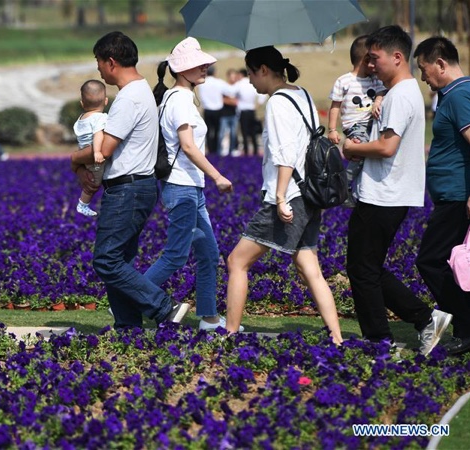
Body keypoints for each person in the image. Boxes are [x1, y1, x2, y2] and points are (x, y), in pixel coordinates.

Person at [342, 25, 452, 355]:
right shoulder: (397, 94)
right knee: (366, 267)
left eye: (375, 58)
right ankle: (424, 320)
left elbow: (388, 147)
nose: (370, 65)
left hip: (384, 193)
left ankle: (381, 341)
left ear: (397, 57)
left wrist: (352, 148)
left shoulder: (402, 95)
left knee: (361, 270)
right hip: (387, 192)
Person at [224, 46, 343, 344]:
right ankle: (337, 338)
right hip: (311, 194)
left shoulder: (277, 102)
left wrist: (279, 198)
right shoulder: (301, 93)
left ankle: (229, 333)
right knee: (309, 266)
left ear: (263, 70)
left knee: (237, 262)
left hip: (289, 195)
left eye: (251, 73)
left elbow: (285, 155)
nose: (250, 81)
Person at [71, 31, 190, 329]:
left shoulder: (129, 97)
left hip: (128, 188)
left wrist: (74, 160)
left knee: (106, 261)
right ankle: (127, 329)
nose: (98, 68)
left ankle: (165, 308)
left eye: (99, 62)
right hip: (134, 187)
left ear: (111, 62)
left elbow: (105, 149)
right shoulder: (139, 92)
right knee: (119, 262)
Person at [146, 37, 239, 331]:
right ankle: (127, 298)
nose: (205, 68)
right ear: (182, 70)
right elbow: (188, 146)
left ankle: (209, 318)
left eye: (205, 64)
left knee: (209, 254)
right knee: (175, 255)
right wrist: (218, 176)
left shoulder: (174, 98)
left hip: (188, 188)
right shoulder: (181, 101)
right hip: (182, 188)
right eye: (198, 65)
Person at [414, 36, 470, 356]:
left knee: (430, 260)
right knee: (452, 264)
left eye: (424, 69)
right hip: (450, 195)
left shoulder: (461, 94)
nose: (423, 77)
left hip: (457, 196)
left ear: (440, 64)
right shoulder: (452, 96)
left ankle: (465, 324)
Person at [328, 35, 386, 207]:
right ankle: (344, 184)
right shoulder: (344, 81)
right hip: (354, 126)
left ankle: (358, 187)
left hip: (372, 125)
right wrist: (332, 129)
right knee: (360, 151)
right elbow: (335, 106)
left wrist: (377, 100)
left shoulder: (375, 80)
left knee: (369, 155)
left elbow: (382, 92)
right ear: (366, 59)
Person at [73, 79, 108, 217]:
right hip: (94, 157)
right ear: (105, 101)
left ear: (82, 103)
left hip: (84, 154)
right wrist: (98, 151)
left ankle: (83, 203)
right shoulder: (100, 118)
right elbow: (98, 134)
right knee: (94, 183)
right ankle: (83, 204)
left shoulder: (81, 119)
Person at [198, 65, 229, 155]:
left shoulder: (202, 83)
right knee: (217, 131)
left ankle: (210, 149)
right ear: (214, 72)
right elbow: (229, 91)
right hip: (218, 110)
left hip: (207, 109)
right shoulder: (219, 82)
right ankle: (216, 149)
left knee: (208, 131)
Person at [235, 68, 267, 156]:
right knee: (253, 132)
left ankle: (246, 152)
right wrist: (257, 105)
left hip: (243, 111)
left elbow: (231, 92)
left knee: (244, 133)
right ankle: (255, 151)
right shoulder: (251, 84)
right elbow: (262, 96)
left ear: (241, 75)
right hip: (252, 110)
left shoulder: (239, 84)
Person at [218, 68, 239, 156]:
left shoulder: (238, 87)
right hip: (224, 114)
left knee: (233, 134)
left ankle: (232, 150)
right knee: (222, 134)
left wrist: (229, 99)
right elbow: (223, 100)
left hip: (234, 114)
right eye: (232, 76)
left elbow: (238, 101)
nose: (233, 78)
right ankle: (219, 151)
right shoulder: (224, 86)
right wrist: (232, 100)